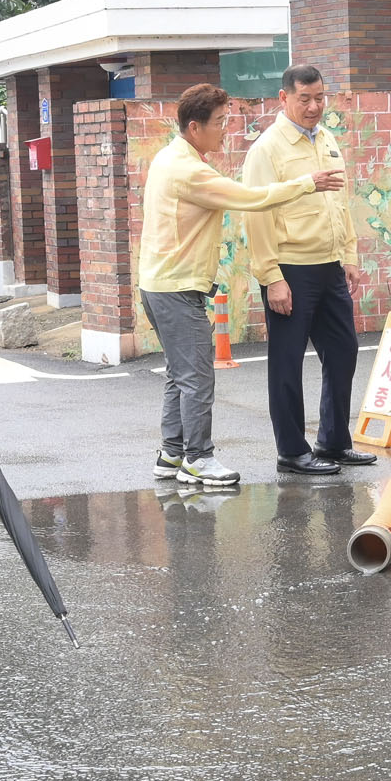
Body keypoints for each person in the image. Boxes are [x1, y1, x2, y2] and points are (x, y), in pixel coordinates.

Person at [139, 83, 343, 486]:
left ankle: (171, 454)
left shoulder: (171, 157)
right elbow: (252, 198)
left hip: (160, 284)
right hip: (176, 287)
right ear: (195, 127)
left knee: (180, 374)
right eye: (220, 122)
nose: (226, 130)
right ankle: (198, 459)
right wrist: (308, 183)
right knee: (196, 377)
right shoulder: (189, 170)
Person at [243, 64, 376, 476]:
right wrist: (272, 278)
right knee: (287, 363)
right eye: (305, 99)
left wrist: (349, 256)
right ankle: (291, 451)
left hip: (329, 266)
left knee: (343, 351)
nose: (314, 107)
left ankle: (333, 441)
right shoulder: (267, 149)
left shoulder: (327, 139)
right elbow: (257, 215)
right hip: (290, 270)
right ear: (284, 98)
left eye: (320, 98)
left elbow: (340, 202)